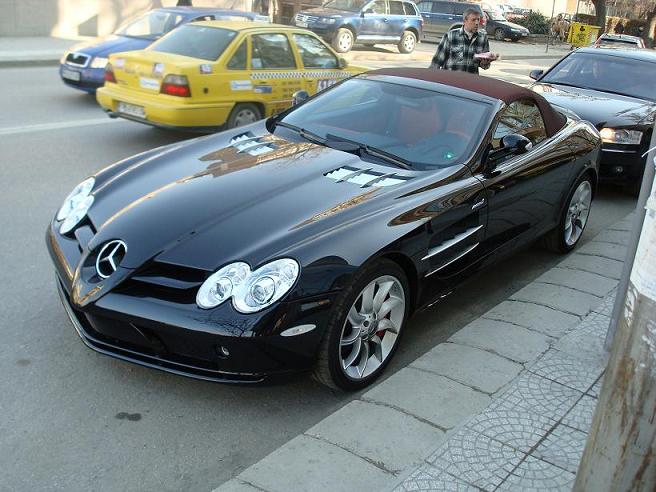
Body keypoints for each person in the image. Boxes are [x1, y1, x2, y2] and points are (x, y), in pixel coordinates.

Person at [429, 8, 498, 74]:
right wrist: (430, 78)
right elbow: (437, 61)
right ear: (465, 21)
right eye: (473, 20)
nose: (477, 23)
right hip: (451, 79)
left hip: (470, 80)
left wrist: (485, 63)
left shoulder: (482, 38)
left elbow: (484, 65)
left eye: (478, 20)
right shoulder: (450, 36)